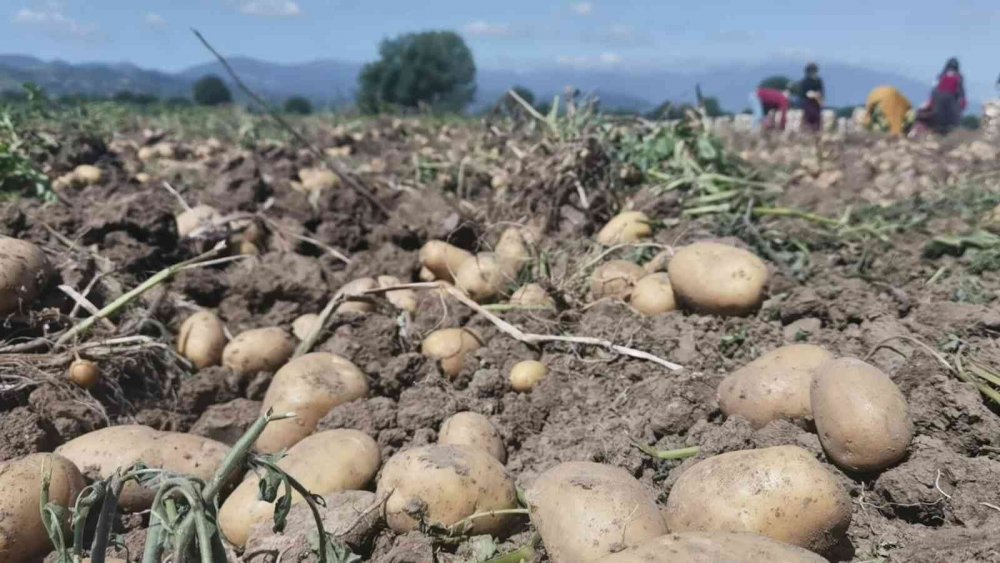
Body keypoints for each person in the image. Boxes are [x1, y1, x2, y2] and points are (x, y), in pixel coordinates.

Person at [919, 57, 966, 134]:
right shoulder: (958, 77)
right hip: (950, 101)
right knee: (955, 120)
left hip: (939, 100)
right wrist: (962, 103)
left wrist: (931, 102)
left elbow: (934, 90)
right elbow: (961, 92)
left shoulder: (941, 76)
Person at [798, 63, 825, 132]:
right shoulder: (805, 82)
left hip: (816, 104)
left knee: (817, 120)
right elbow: (805, 94)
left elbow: (821, 92)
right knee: (809, 120)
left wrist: (820, 100)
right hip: (808, 103)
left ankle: (817, 132)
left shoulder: (818, 81)